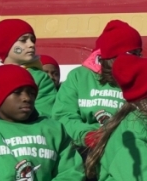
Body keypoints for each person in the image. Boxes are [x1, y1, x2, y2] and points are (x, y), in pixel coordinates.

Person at [53, 20, 142, 154]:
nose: (138, 59)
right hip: (84, 149)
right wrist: (87, 135)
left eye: (139, 53)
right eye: (133, 53)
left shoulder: (140, 80)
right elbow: (63, 115)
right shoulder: (79, 76)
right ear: (114, 54)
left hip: (126, 150)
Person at [0, 19, 56, 116]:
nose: (31, 45)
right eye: (23, 40)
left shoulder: (40, 78)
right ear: (4, 44)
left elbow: (46, 113)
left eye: (32, 40)